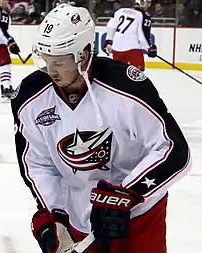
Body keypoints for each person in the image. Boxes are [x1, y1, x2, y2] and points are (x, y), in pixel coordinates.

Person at [11, 4, 191, 253]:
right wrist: (54, 215)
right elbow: (38, 163)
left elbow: (173, 150)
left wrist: (126, 195)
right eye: (46, 60)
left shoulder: (126, 87)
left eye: (60, 62)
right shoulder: (30, 98)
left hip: (140, 214)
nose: (51, 70)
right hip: (79, 217)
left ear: (83, 55)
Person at [104, 0, 157, 71]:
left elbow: (111, 26)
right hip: (133, 48)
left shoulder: (120, 11)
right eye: (147, 2)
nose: (149, 5)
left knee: (119, 74)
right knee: (137, 75)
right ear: (141, 2)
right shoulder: (144, 15)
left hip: (117, 47)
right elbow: (142, 35)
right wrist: (149, 48)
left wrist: (109, 42)